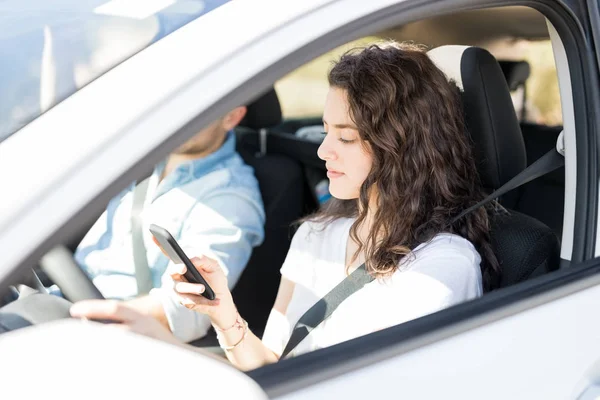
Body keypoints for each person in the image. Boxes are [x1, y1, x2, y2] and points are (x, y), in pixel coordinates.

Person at [70, 41, 500, 369]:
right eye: (325, 130)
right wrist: (224, 314)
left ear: (403, 145)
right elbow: (274, 365)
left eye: (346, 137)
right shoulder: (317, 234)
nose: (323, 151)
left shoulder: (440, 268)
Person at [72, 106, 266, 343]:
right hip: (62, 293)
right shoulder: (139, 158)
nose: (176, 116)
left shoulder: (230, 196)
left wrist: (89, 321)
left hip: (106, 332)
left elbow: (187, 309)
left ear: (231, 116)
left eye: (195, 109)